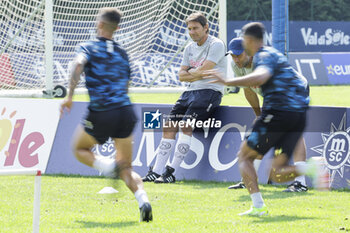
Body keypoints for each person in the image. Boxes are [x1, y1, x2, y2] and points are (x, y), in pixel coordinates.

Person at [204, 22, 329, 216]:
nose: (237, 57)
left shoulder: (263, 56)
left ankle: (258, 206)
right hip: (297, 111)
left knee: (244, 156)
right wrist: (259, 116)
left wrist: (227, 81)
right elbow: (251, 91)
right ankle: (311, 167)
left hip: (280, 110)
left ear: (250, 41)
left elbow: (261, 77)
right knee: (277, 173)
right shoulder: (270, 56)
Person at [60, 7, 152, 222]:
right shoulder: (122, 52)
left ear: (100, 24)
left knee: (79, 148)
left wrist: (69, 95)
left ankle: (108, 166)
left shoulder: (88, 47)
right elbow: (127, 83)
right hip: (126, 112)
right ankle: (144, 201)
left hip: (102, 111)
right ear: (117, 28)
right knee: (127, 166)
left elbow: (76, 65)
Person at [142, 12, 227, 183]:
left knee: (186, 126)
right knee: (169, 126)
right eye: (189, 29)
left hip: (209, 91)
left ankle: (171, 172)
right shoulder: (189, 47)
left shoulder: (216, 44)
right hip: (189, 92)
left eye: (196, 28)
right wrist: (195, 74)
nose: (192, 32)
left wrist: (193, 73)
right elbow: (181, 76)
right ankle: (157, 171)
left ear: (206, 28)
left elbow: (203, 71)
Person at [226, 37, 308, 193]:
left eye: (239, 55)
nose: (236, 59)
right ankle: (248, 178)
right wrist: (258, 114)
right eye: (233, 55)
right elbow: (248, 90)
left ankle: (300, 183)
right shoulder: (236, 65)